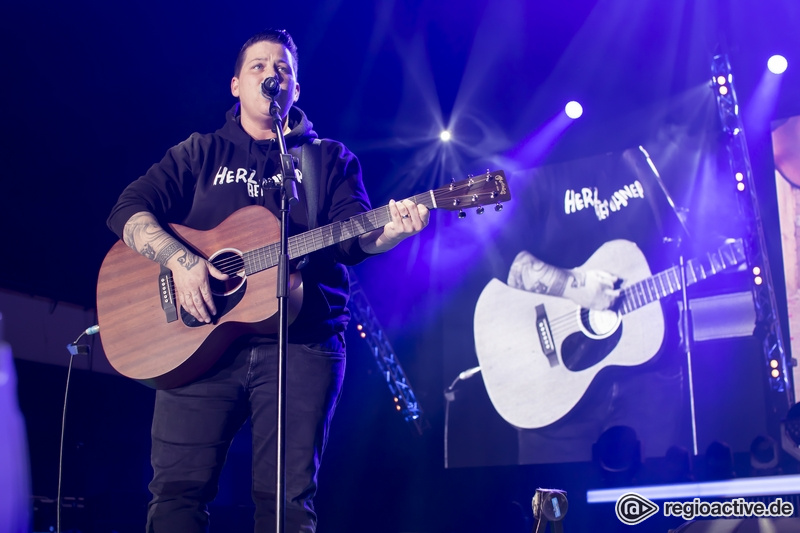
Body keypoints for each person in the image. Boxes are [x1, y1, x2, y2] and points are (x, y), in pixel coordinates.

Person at [106, 28, 429, 533]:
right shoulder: (200, 153)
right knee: (176, 494)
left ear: (295, 89)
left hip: (303, 345)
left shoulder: (328, 160)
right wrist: (180, 260)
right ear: (235, 85)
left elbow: (353, 241)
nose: (270, 74)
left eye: (282, 68)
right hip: (198, 338)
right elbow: (127, 210)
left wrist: (389, 232)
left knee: (286, 506)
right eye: (258, 67)